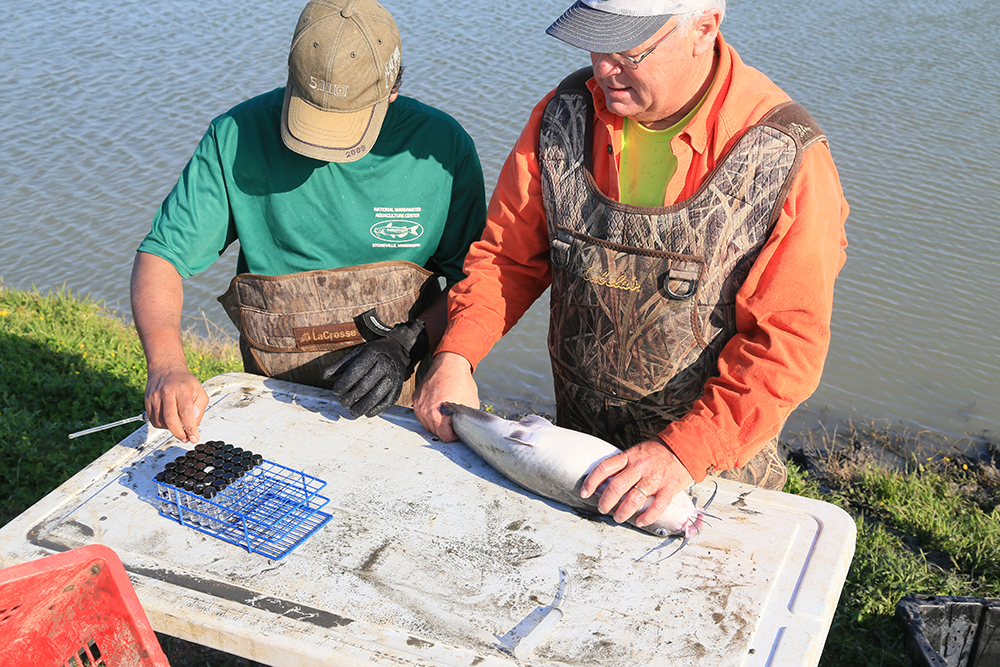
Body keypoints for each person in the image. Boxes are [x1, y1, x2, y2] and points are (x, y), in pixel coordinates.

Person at [414, 0, 848, 530]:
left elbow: (787, 346)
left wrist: (683, 453)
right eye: (596, 44)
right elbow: (505, 259)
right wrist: (455, 355)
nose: (603, 68)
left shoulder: (785, 154)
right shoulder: (562, 117)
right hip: (578, 460)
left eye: (629, 51)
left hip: (705, 480)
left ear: (704, 28)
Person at [131, 0, 487, 443]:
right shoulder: (235, 136)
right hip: (269, 394)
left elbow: (474, 282)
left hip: (400, 400)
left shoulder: (441, 150)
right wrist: (167, 366)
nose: (321, 150)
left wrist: (406, 344)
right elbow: (162, 257)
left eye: (344, 126)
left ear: (391, 88)